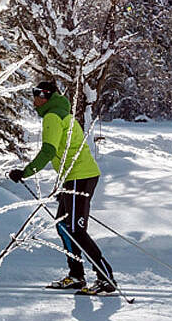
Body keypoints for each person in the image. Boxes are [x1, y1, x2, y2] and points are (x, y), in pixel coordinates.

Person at [8, 81, 115, 295]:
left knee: (75, 229)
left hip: (80, 177)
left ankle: (106, 278)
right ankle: (76, 276)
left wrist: (25, 172)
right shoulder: (59, 112)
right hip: (75, 177)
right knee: (64, 227)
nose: (34, 99)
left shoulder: (53, 116)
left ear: (46, 96)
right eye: (33, 94)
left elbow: (48, 151)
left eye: (37, 94)